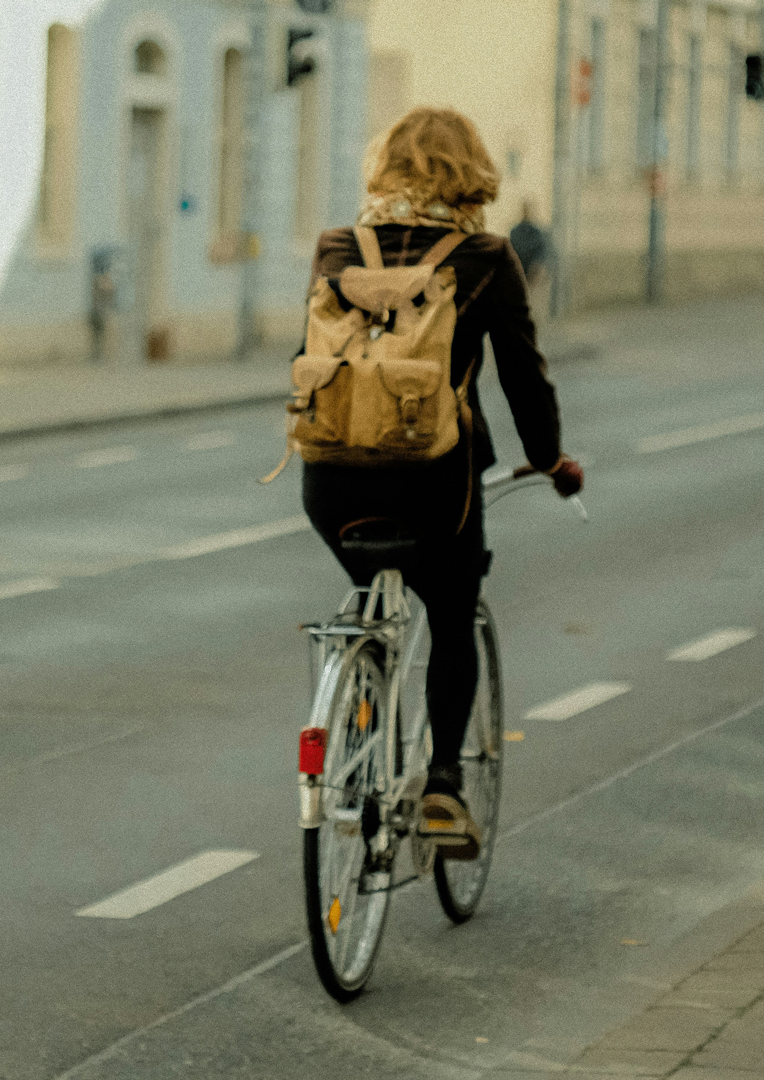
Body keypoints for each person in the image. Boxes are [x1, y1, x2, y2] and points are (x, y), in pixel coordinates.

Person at [298, 107, 582, 856]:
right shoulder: (483, 256)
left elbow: (313, 363)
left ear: (384, 167)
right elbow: (525, 378)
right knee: (453, 610)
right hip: (435, 485)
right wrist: (551, 459)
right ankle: (444, 786)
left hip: (331, 483)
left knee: (368, 591)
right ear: (471, 174)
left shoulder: (336, 249)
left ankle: (355, 727)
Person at [508, 200, 553, 299]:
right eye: (525, 209)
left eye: (528, 209)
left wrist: (536, 272)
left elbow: (541, 256)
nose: (527, 212)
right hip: (518, 275)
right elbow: (511, 252)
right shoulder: (515, 231)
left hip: (533, 277)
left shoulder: (537, 233)